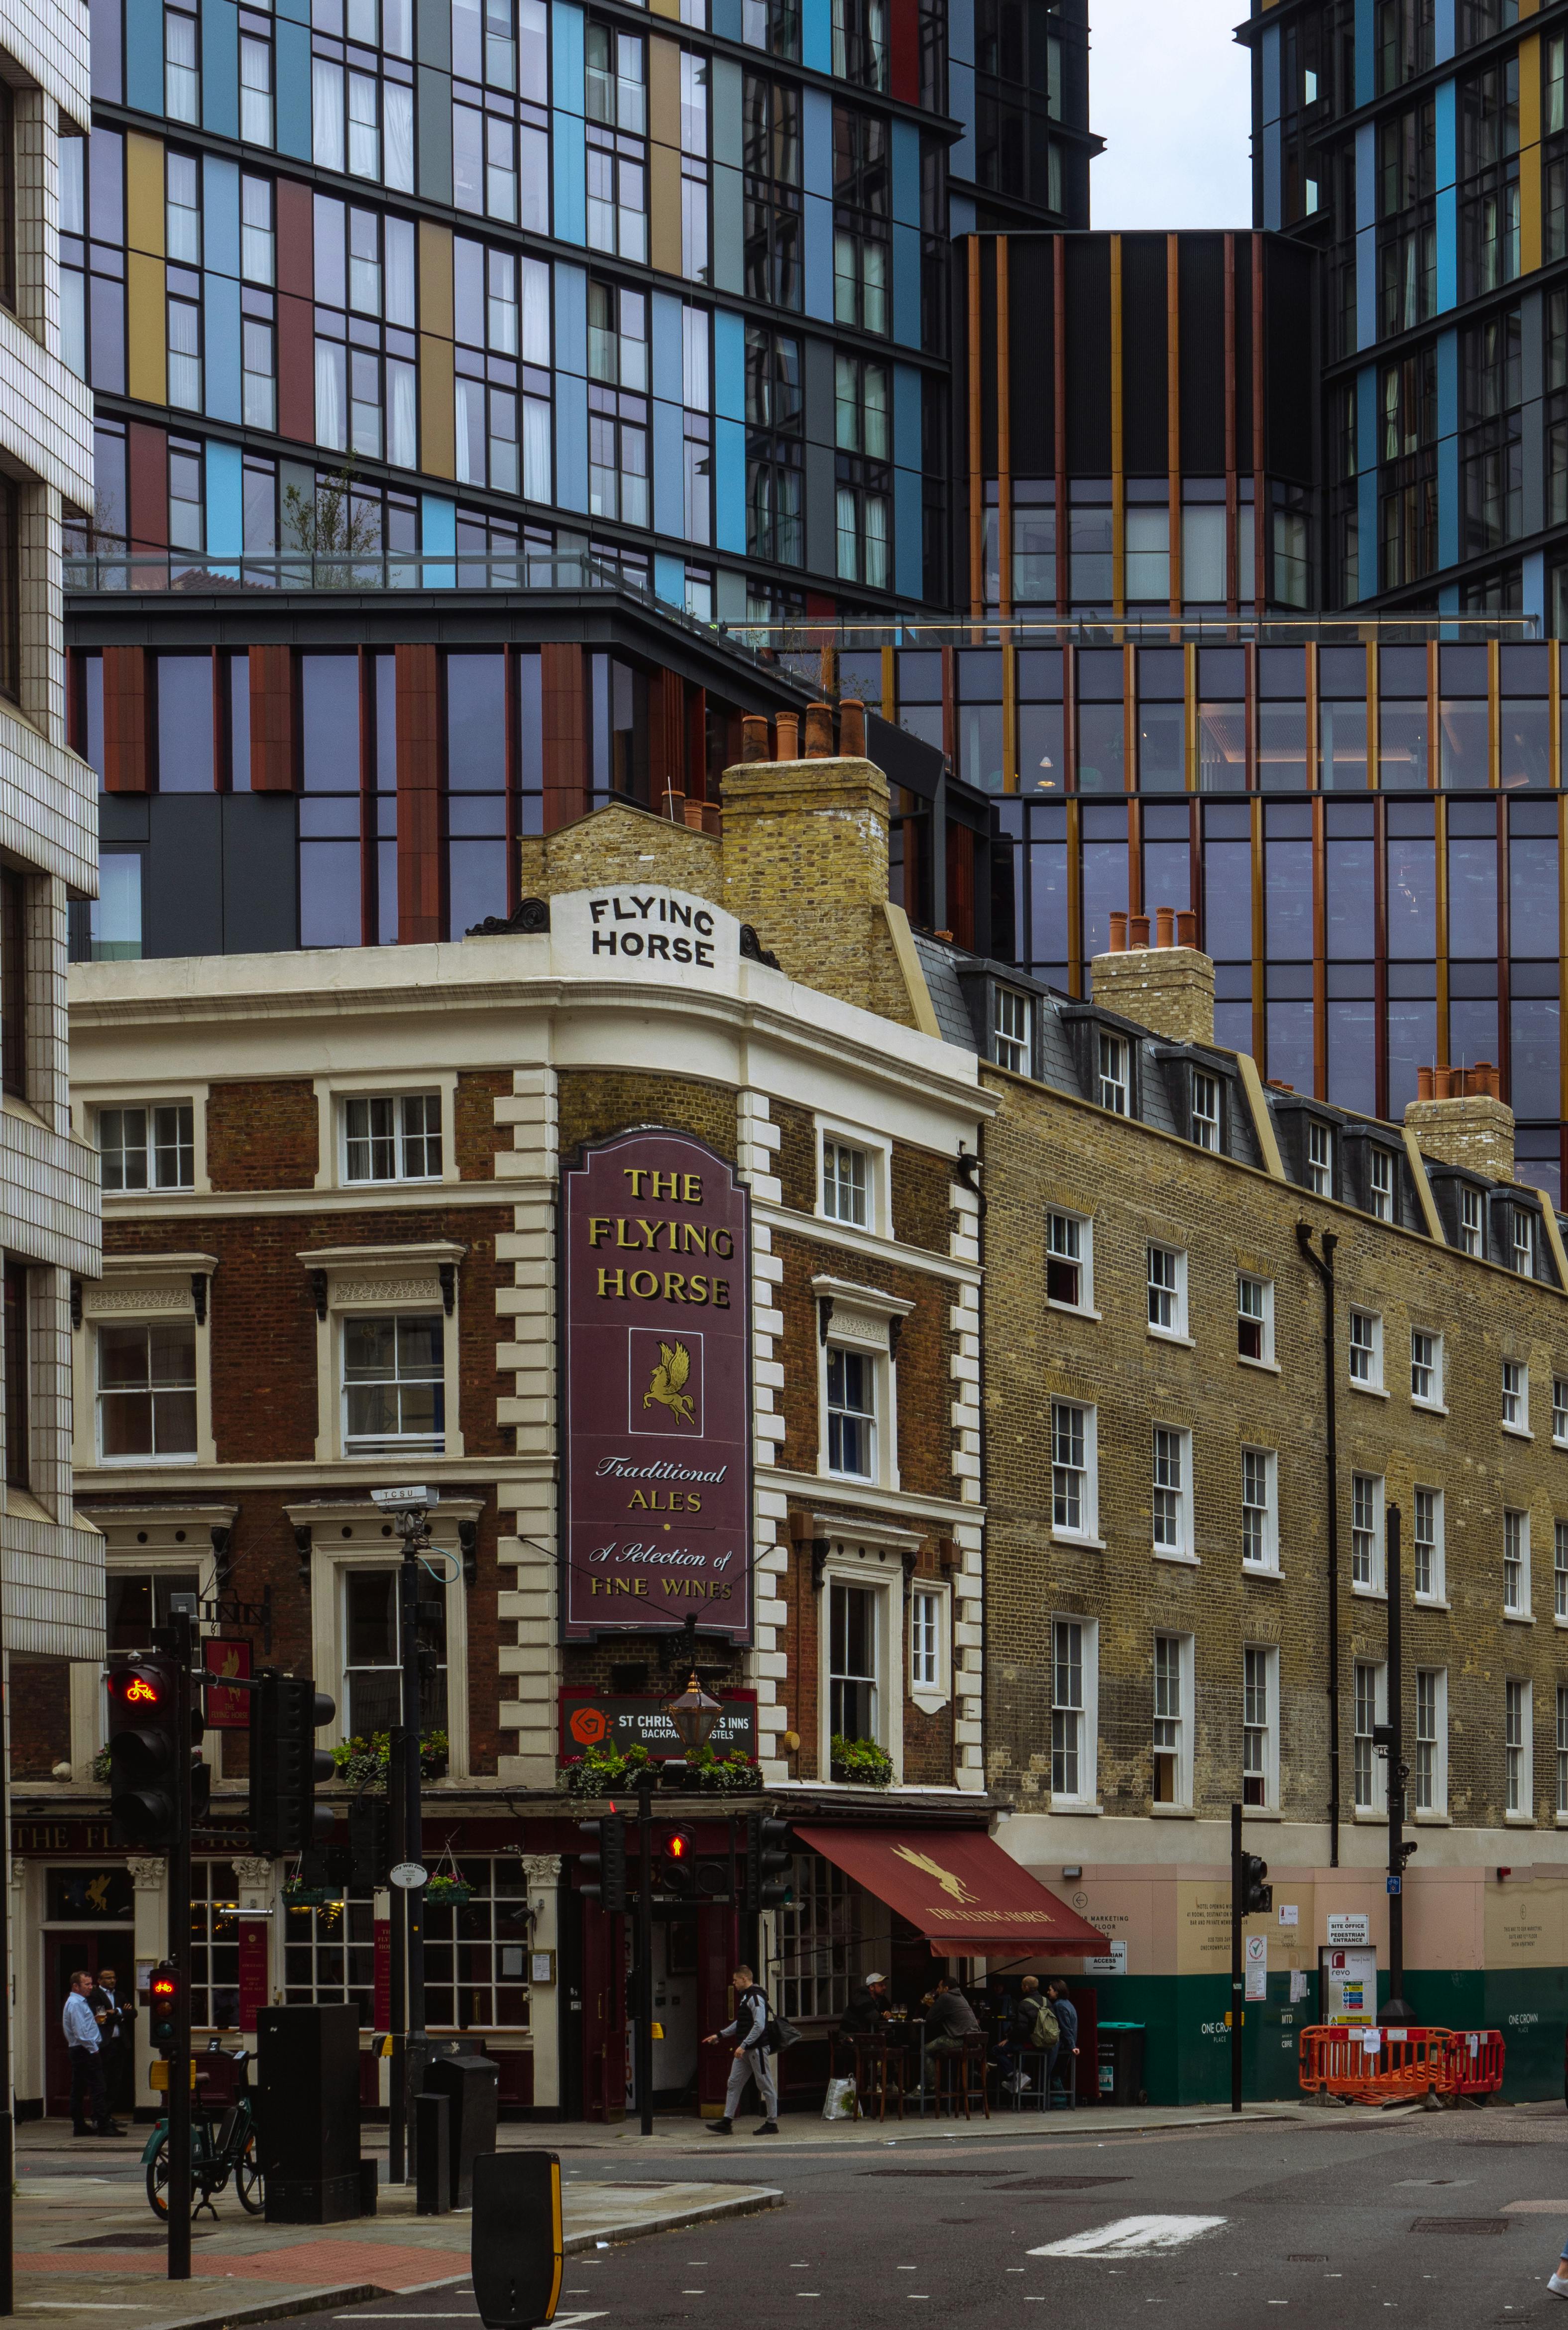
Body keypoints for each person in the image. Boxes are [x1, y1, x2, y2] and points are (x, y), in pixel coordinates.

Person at [703, 1963, 778, 2135]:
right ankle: (727, 2121)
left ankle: (772, 2123)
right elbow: (742, 2023)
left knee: (765, 2085)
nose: (734, 1983)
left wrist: (743, 2046)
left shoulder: (756, 1998)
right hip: (746, 2050)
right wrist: (720, 2035)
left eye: (736, 1980)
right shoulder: (746, 1997)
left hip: (756, 2049)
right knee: (733, 2083)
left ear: (745, 1979)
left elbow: (759, 2025)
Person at [63, 1969, 122, 2138]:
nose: (91, 1987)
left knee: (80, 2088)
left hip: (82, 2049)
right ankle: (103, 2125)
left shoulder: (81, 2002)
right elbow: (81, 2032)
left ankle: (80, 2126)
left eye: (91, 1984)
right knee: (98, 2087)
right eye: (87, 1984)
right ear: (76, 1986)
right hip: (85, 2050)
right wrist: (94, 2049)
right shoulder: (75, 2004)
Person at [921, 1972, 980, 2093]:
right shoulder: (960, 1996)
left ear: (946, 1989)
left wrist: (931, 2004)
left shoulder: (945, 1997)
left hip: (961, 2040)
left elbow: (929, 2019)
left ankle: (931, 2086)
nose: (938, 1990)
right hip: (976, 2040)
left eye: (939, 1988)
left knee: (925, 2050)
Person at [1000, 1975, 1057, 2096]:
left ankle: (1018, 2077)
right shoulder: (1047, 2002)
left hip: (1031, 2044)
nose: (1021, 1988)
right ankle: (1020, 2078)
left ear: (1026, 1987)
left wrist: (1009, 2038)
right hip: (1047, 2044)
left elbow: (1021, 2028)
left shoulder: (1024, 2004)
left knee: (997, 2050)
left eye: (1022, 1986)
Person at [89, 1968, 129, 2116]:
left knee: (116, 2082)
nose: (112, 1980)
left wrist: (116, 2011)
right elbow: (100, 2017)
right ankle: (99, 2116)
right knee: (102, 2081)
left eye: (114, 1978)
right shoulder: (95, 1995)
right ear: (99, 1981)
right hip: (104, 2044)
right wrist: (121, 2014)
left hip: (120, 2043)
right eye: (108, 1978)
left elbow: (133, 2013)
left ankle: (109, 2115)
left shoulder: (120, 1995)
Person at [1047, 1978, 1079, 2105]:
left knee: (1055, 2073)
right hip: (1068, 2045)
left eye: (1050, 1990)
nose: (1048, 1992)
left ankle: (1060, 2101)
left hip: (1062, 2046)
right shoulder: (1068, 2004)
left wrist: (1071, 2045)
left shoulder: (1059, 2006)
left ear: (1057, 1992)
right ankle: (1060, 2100)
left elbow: (1065, 2028)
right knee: (1059, 2073)